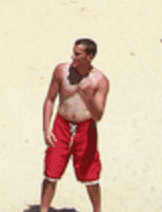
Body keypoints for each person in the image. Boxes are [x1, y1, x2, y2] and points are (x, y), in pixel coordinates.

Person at [39, 38, 110, 212]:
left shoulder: (100, 81)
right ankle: (43, 209)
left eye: (77, 54)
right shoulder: (61, 71)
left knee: (90, 176)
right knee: (51, 173)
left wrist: (88, 97)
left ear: (90, 56)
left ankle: (97, 210)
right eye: (73, 52)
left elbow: (98, 115)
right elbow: (50, 99)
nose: (73, 57)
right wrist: (46, 129)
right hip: (61, 125)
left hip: (85, 129)